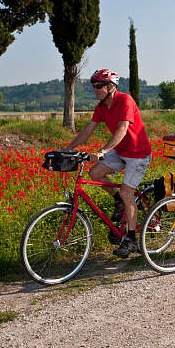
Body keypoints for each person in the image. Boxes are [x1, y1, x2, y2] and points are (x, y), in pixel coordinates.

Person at [65, 69, 152, 258]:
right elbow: (88, 130)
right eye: (93, 86)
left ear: (111, 87)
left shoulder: (125, 100)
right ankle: (118, 200)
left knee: (127, 192)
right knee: (94, 174)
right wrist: (69, 148)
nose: (95, 89)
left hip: (138, 154)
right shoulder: (102, 107)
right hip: (120, 152)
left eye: (99, 86)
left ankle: (131, 239)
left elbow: (122, 130)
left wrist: (103, 151)